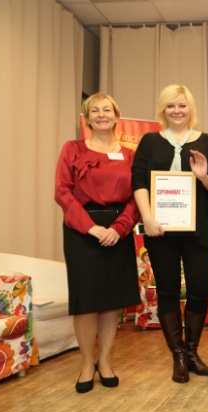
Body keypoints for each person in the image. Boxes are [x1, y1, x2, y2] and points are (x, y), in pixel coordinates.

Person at [132, 84, 208, 383]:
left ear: (190, 108)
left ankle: (193, 352)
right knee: (168, 291)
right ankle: (178, 356)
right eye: (171, 105)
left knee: (198, 290)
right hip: (160, 231)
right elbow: (139, 182)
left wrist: (204, 176)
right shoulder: (149, 142)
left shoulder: (206, 142)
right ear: (163, 109)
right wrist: (147, 218)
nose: (176, 111)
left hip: (198, 231)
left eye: (182, 105)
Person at [55, 93, 140, 393]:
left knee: (111, 301)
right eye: (95, 110)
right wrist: (90, 227)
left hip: (119, 232)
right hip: (81, 231)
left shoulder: (130, 155)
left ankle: (105, 361)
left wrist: (119, 228)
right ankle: (86, 364)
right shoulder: (72, 149)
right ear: (87, 118)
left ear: (116, 117)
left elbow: (138, 196)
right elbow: (62, 192)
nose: (101, 114)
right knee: (86, 303)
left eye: (107, 109)